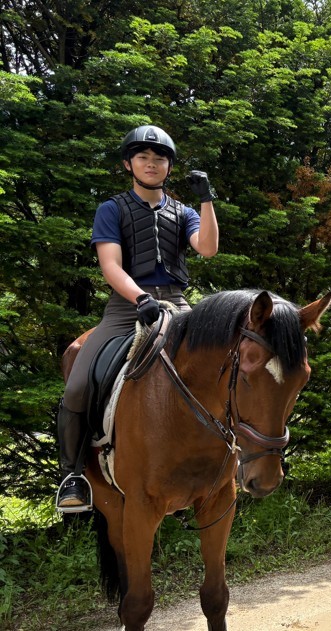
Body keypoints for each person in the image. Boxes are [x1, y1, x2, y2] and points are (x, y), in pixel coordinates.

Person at [55, 125, 219, 512]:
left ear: (168, 166)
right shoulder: (111, 209)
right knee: (78, 385)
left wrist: (207, 200)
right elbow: (110, 265)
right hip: (125, 308)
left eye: (159, 158)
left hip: (178, 305)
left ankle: (229, 458)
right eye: (143, 157)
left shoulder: (183, 212)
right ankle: (73, 475)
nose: (151, 163)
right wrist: (140, 297)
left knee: (221, 369)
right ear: (129, 163)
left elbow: (208, 249)